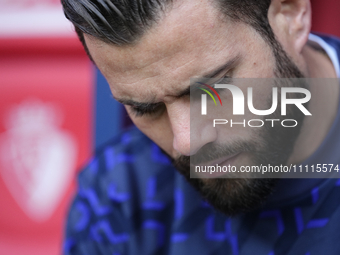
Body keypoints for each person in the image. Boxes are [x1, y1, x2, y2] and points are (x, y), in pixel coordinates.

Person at [61, 0, 340, 254]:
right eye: (147, 109)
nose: (187, 142)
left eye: (212, 89)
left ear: (289, 15)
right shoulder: (118, 196)